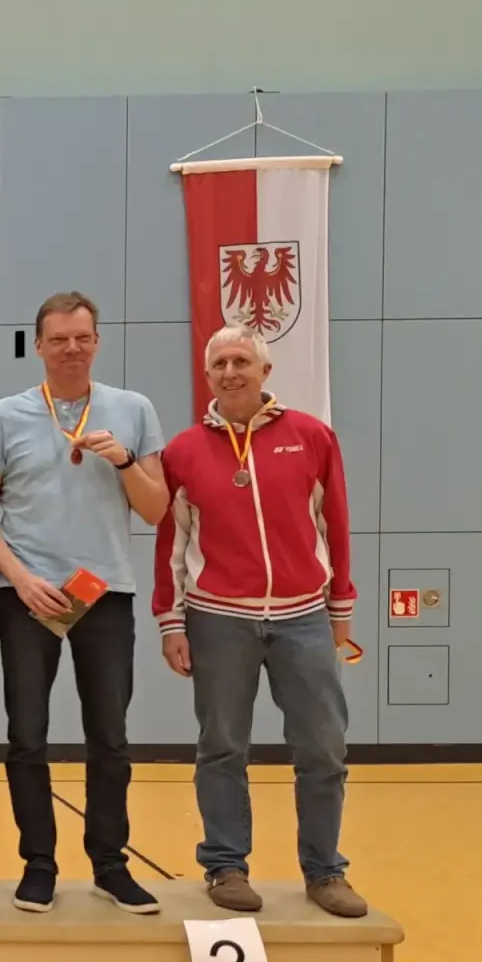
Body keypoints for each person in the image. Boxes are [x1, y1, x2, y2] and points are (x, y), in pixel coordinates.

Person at [153, 326, 366, 918]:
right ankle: (225, 866)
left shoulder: (311, 437)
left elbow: (336, 523)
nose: (230, 372)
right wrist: (171, 621)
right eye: (219, 363)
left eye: (241, 361)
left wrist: (340, 608)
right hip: (217, 620)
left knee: (323, 748)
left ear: (265, 372)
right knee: (222, 747)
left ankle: (325, 871)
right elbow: (172, 543)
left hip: (303, 617)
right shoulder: (183, 452)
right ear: (207, 376)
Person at [0, 292, 168, 914]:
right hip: (29, 596)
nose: (71, 349)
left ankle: (110, 864)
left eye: (82, 338)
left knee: (109, 736)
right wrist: (18, 578)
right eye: (58, 339)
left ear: (97, 342)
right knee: (26, 736)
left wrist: (126, 461)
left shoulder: (133, 410)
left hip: (105, 594)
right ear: (39, 345)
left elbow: (157, 508)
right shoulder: (4, 416)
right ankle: (39, 864)